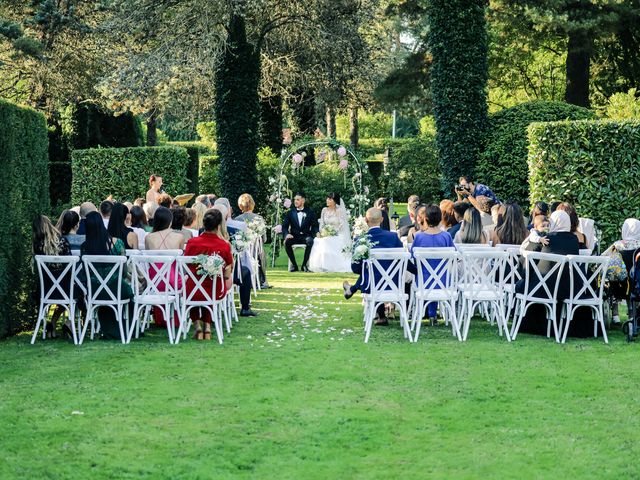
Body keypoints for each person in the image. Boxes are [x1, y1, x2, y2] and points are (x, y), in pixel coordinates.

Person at [515, 210, 581, 337]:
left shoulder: (545, 238)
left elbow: (526, 266)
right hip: (567, 289)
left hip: (543, 289)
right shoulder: (574, 240)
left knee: (521, 284)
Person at [342, 208, 404, 326]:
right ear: (381, 220)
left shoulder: (361, 240)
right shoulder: (393, 237)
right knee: (377, 274)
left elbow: (355, 268)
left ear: (366, 220)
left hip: (371, 285)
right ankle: (384, 316)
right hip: (394, 284)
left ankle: (380, 315)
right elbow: (402, 260)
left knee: (372, 275)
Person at [184, 209, 235, 340]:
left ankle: (197, 327)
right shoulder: (224, 245)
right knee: (211, 285)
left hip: (191, 291)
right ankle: (207, 327)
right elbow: (227, 274)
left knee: (193, 288)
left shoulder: (192, 243)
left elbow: (186, 266)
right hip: (215, 290)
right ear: (218, 226)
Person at [81, 211, 134, 340]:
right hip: (116, 287)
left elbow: (85, 272)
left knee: (104, 292)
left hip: (94, 291)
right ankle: (129, 329)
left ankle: (111, 330)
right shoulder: (117, 243)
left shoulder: (85, 247)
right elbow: (124, 270)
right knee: (130, 294)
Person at [411, 204, 455, 324]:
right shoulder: (447, 236)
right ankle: (432, 314)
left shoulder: (419, 237)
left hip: (423, 281)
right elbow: (453, 256)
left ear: (425, 219)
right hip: (444, 281)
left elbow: (412, 257)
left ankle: (430, 314)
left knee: (428, 275)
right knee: (436, 274)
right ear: (440, 219)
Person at [32, 215, 74, 338]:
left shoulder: (37, 246)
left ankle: (52, 326)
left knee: (66, 291)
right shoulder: (62, 242)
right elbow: (70, 266)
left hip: (45, 288)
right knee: (78, 293)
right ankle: (63, 322)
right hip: (64, 288)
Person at [603, 218, 640, 324]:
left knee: (612, 279)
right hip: (637, 285)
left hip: (619, 285)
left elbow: (604, 258)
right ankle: (633, 313)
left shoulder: (617, 245)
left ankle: (615, 315)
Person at [308, 192, 352, 273]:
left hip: (337, 234)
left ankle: (330, 266)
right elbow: (322, 224)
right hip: (326, 234)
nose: (327, 200)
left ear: (335, 201)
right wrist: (322, 232)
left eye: (330, 199)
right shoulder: (324, 210)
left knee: (329, 240)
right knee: (318, 240)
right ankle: (321, 265)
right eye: (327, 198)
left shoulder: (339, 211)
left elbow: (342, 225)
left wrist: (333, 232)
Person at [234, 193, 271, 289]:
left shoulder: (237, 219)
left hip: (242, 252)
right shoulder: (259, 218)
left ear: (240, 205)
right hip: (257, 252)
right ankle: (261, 279)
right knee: (261, 250)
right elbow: (264, 239)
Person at [281, 192, 318, 272]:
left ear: (303, 200)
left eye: (298, 200)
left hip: (306, 236)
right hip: (294, 236)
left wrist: (312, 235)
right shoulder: (290, 213)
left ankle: (304, 265)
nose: (295, 201)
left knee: (310, 241)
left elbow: (315, 226)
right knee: (286, 242)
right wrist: (287, 234)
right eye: (295, 200)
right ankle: (294, 265)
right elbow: (284, 226)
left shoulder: (310, 212)